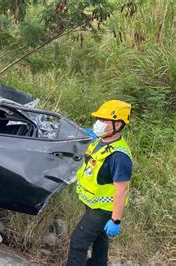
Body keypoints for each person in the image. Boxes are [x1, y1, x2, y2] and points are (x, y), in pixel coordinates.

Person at [67, 100, 133, 266]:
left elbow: (122, 190)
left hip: (103, 209)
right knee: (99, 237)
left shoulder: (119, 156)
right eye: (99, 119)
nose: (98, 123)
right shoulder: (101, 141)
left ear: (117, 124)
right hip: (94, 203)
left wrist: (116, 220)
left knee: (78, 241)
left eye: (103, 120)